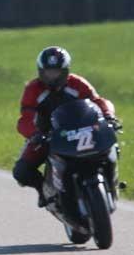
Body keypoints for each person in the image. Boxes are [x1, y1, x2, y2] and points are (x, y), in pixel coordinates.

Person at [12, 46, 116, 206]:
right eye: (48, 72)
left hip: (81, 130)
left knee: (109, 145)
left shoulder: (77, 83)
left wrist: (108, 117)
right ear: (40, 71)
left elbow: (97, 102)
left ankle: (112, 181)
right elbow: (26, 118)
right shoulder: (33, 89)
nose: (51, 76)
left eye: (56, 72)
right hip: (48, 136)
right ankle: (44, 191)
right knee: (21, 171)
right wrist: (34, 134)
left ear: (65, 71)